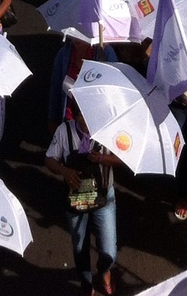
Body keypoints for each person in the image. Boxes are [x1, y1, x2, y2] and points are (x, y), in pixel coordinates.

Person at [46, 106, 122, 294]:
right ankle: (86, 282)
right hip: (75, 198)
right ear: (75, 114)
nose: (85, 122)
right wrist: (64, 171)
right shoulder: (63, 131)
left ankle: (104, 269)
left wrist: (103, 158)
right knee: (80, 246)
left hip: (103, 197)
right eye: (80, 116)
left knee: (109, 251)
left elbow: (124, 158)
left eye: (88, 116)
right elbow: (49, 159)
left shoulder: (109, 129)